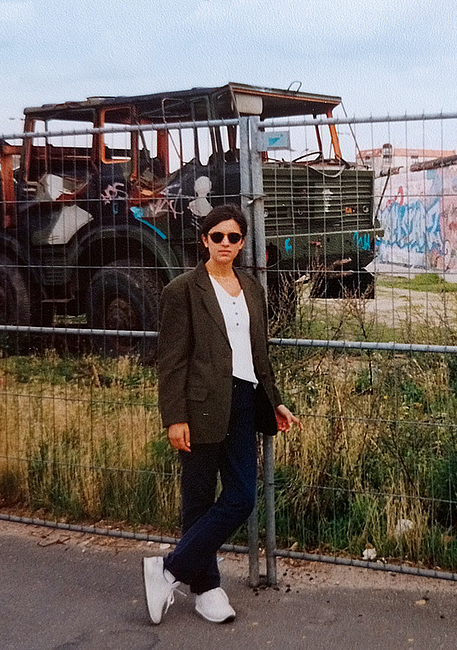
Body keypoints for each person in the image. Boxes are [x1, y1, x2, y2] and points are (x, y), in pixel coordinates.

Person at [143, 204, 301, 625]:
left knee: (240, 498)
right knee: (198, 498)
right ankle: (207, 588)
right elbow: (171, 361)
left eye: (233, 237)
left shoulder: (251, 287)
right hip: (200, 406)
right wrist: (174, 417)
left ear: (242, 242)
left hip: (245, 402)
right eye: (218, 237)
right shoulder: (181, 291)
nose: (226, 244)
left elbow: (259, 355)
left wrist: (276, 400)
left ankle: (168, 569)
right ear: (205, 240)